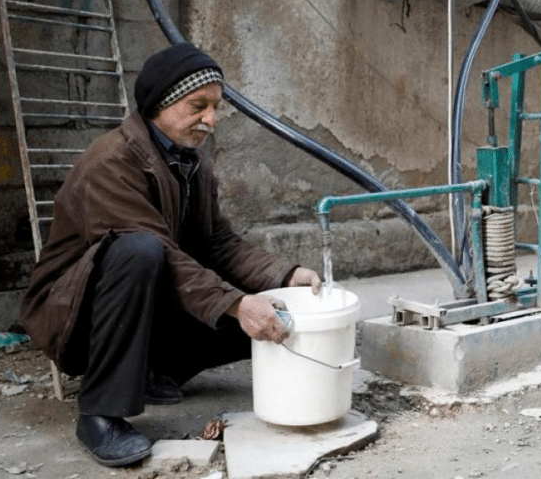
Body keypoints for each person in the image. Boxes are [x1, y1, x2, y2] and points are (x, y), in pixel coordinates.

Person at [20, 43, 322, 467]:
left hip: (147, 306)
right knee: (139, 250)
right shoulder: (112, 160)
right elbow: (156, 249)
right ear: (160, 104)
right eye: (197, 105)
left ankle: (156, 369)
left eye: (216, 108)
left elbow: (219, 244)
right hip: (76, 314)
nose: (211, 120)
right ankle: (99, 413)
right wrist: (236, 303)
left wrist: (285, 276)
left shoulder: (190, 162)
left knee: (277, 312)